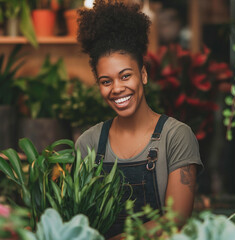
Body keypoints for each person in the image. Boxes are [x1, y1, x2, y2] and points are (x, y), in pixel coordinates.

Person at [75, 0, 203, 238]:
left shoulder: (176, 137)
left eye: (125, 76)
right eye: (106, 81)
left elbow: (175, 220)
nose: (117, 88)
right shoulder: (88, 144)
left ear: (143, 74)